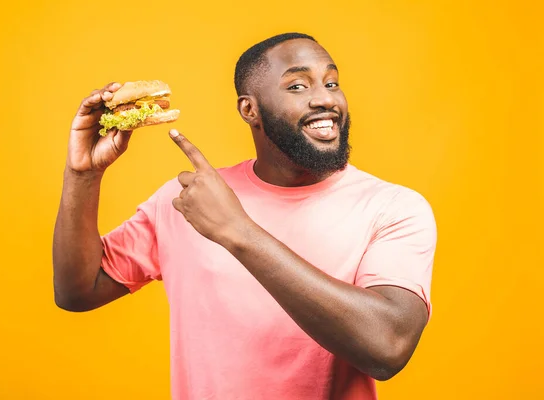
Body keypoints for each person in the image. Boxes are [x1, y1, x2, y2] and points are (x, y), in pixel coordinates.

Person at [53, 32, 437, 400]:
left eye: (332, 83)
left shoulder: (393, 208)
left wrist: (238, 231)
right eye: (298, 87)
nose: (325, 100)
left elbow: (387, 347)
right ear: (249, 109)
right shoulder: (190, 198)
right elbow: (78, 290)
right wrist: (83, 176)